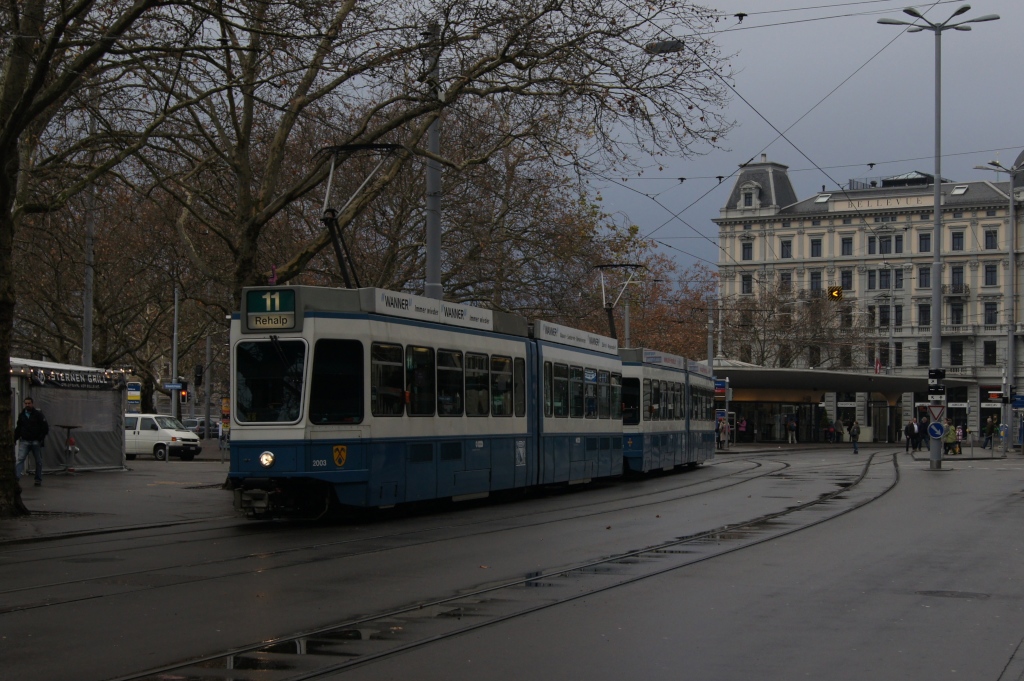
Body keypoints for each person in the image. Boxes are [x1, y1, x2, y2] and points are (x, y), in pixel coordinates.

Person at [15, 396, 49, 487]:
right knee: (20, 459)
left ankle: (38, 479)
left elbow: (45, 427)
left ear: (32, 404)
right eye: (25, 403)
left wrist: (40, 438)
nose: (27, 405)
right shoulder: (22, 415)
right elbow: (18, 428)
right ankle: (16, 478)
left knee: (38, 461)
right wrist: (15, 438)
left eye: (29, 403)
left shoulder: (38, 414)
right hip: (25, 440)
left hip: (35, 441)